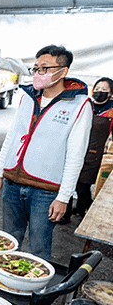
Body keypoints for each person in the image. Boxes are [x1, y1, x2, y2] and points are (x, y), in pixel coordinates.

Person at [0, 45, 92, 260]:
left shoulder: (79, 105)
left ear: (62, 71)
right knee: (8, 241)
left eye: (44, 68)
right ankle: (5, 284)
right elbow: (12, 136)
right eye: (35, 68)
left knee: (38, 247)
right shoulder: (28, 97)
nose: (38, 73)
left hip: (45, 191)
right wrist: (0, 173)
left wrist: (64, 197)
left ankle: (35, 291)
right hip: (12, 183)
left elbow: (76, 155)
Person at [59, 77, 113, 223]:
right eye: (97, 89)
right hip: (76, 151)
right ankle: (65, 214)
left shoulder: (111, 112)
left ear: (110, 94)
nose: (99, 92)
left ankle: (84, 209)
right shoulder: (86, 105)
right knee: (69, 182)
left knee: (82, 187)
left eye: (104, 90)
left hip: (93, 156)